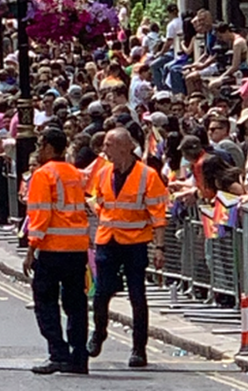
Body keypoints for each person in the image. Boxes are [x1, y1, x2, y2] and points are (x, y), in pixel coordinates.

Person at [88, 127, 168, 368]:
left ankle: (138, 349)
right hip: (107, 239)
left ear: (125, 146)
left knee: (137, 296)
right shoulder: (103, 172)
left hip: (135, 243)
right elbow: (97, 200)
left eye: (108, 145)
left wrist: (159, 248)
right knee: (101, 293)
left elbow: (158, 215)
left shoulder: (148, 175)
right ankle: (99, 333)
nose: (104, 151)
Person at [23, 128, 90, 375]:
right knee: (76, 304)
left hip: (52, 249)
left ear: (50, 147)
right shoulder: (76, 173)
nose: (38, 150)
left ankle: (58, 353)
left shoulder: (43, 175)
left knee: (45, 302)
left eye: (41, 145)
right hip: (77, 248)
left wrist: (31, 249)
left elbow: (40, 215)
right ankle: (79, 356)